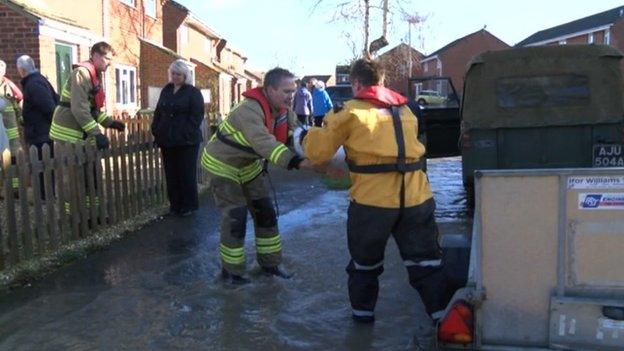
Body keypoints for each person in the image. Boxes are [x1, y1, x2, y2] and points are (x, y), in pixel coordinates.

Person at [302, 59, 449, 350]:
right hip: (418, 200)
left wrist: (304, 136)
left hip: (372, 205)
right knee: (427, 266)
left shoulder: (348, 112)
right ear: (381, 82)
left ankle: (361, 332)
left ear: (356, 84)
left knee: (364, 267)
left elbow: (318, 154)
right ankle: (446, 325)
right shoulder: (407, 110)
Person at [201, 67, 312, 284]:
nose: (292, 96)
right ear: (270, 89)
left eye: (293, 91)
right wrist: (297, 162)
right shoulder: (248, 110)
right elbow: (264, 143)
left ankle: (270, 265)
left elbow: (299, 134)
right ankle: (232, 272)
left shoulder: (283, 111)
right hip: (222, 164)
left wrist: (320, 149)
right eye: (287, 91)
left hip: (248, 166)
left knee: (266, 212)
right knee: (236, 216)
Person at [49, 41, 125, 214]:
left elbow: (92, 109)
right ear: (95, 55)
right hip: (67, 134)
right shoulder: (81, 74)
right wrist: (97, 133)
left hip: (82, 133)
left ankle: (93, 214)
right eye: (107, 58)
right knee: (71, 179)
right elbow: (79, 108)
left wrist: (109, 123)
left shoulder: (94, 76)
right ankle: (72, 216)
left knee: (92, 175)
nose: (109, 63)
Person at [151, 59, 204, 217]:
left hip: (187, 141)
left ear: (185, 75)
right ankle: (175, 205)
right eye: (173, 73)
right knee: (171, 174)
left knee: (186, 174)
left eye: (178, 74)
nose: (175, 76)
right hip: (167, 140)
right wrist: (156, 129)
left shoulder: (193, 93)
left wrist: (185, 132)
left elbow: (196, 116)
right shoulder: (166, 90)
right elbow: (159, 112)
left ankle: (189, 205)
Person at [17, 55, 58, 199]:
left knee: (42, 166)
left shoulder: (33, 84)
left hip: (41, 133)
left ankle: (45, 196)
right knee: (45, 166)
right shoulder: (39, 80)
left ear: (22, 70)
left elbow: (49, 108)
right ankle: (46, 195)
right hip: (41, 131)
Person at [0, 59, 24, 191]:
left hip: (11, 129)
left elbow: (20, 99)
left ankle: (14, 189)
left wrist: (21, 118)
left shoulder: (8, 85)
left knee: (13, 157)